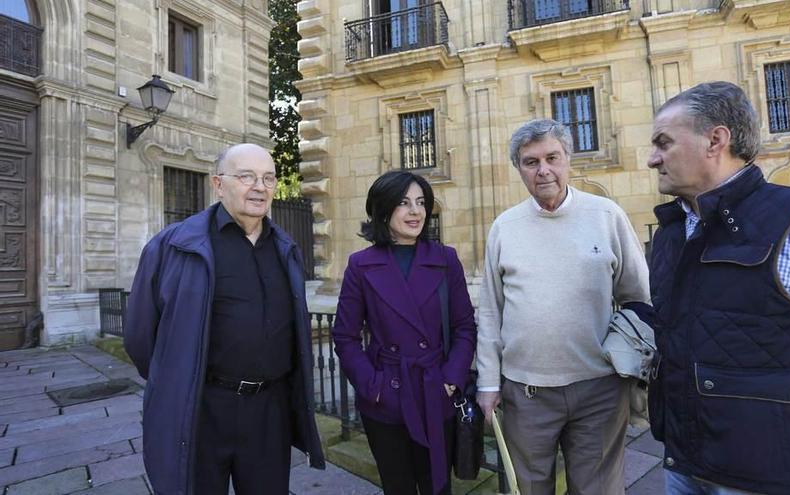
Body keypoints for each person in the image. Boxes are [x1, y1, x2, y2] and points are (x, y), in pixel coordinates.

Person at [646, 81, 790, 495]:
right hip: (683, 463)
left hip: (773, 472)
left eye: (664, 143)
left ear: (716, 140)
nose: (652, 159)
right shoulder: (670, 233)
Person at [124, 143, 325, 494]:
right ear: (219, 184)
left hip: (269, 411)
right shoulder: (172, 246)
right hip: (202, 409)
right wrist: (177, 381)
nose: (259, 187)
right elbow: (141, 338)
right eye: (246, 176)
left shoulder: (285, 248)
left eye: (268, 178)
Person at [476, 119, 652, 495]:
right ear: (519, 168)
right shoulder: (505, 227)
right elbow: (491, 312)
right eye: (530, 162)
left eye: (552, 157)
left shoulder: (607, 216)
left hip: (600, 390)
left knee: (598, 490)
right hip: (526, 394)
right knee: (528, 488)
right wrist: (488, 383)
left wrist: (632, 368)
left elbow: (639, 298)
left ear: (568, 159)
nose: (543, 170)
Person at [333, 170, 477, 495]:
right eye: (404, 203)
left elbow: (464, 326)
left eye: (421, 202)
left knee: (437, 487)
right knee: (396, 487)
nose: (416, 211)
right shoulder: (361, 264)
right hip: (387, 397)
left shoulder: (445, 259)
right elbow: (345, 336)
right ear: (383, 209)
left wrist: (451, 379)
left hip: (435, 390)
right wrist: (374, 386)